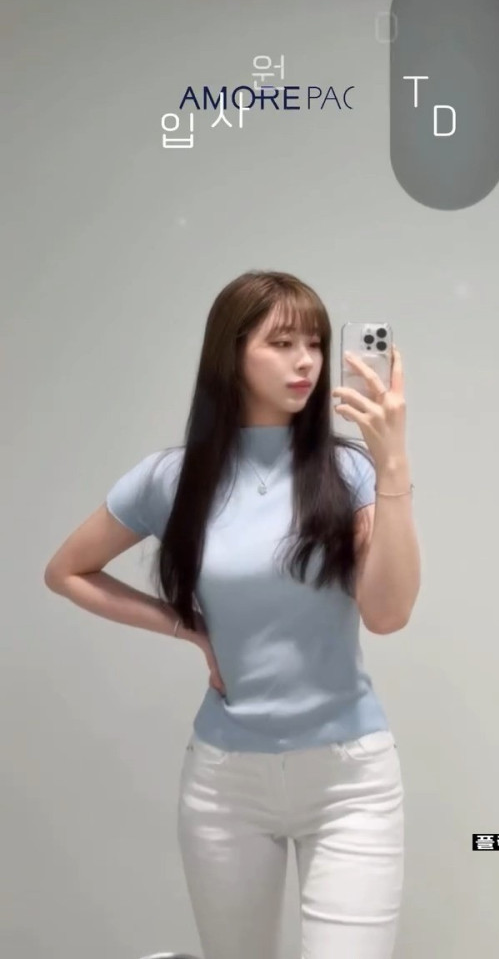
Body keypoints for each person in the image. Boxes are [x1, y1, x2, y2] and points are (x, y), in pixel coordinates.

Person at [44, 269, 421, 959]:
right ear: (232, 351)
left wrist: (392, 467)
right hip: (225, 784)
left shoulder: (351, 473)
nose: (306, 361)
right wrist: (188, 627)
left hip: (350, 782)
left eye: (315, 342)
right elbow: (66, 570)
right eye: (281, 342)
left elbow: (388, 613)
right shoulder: (171, 477)